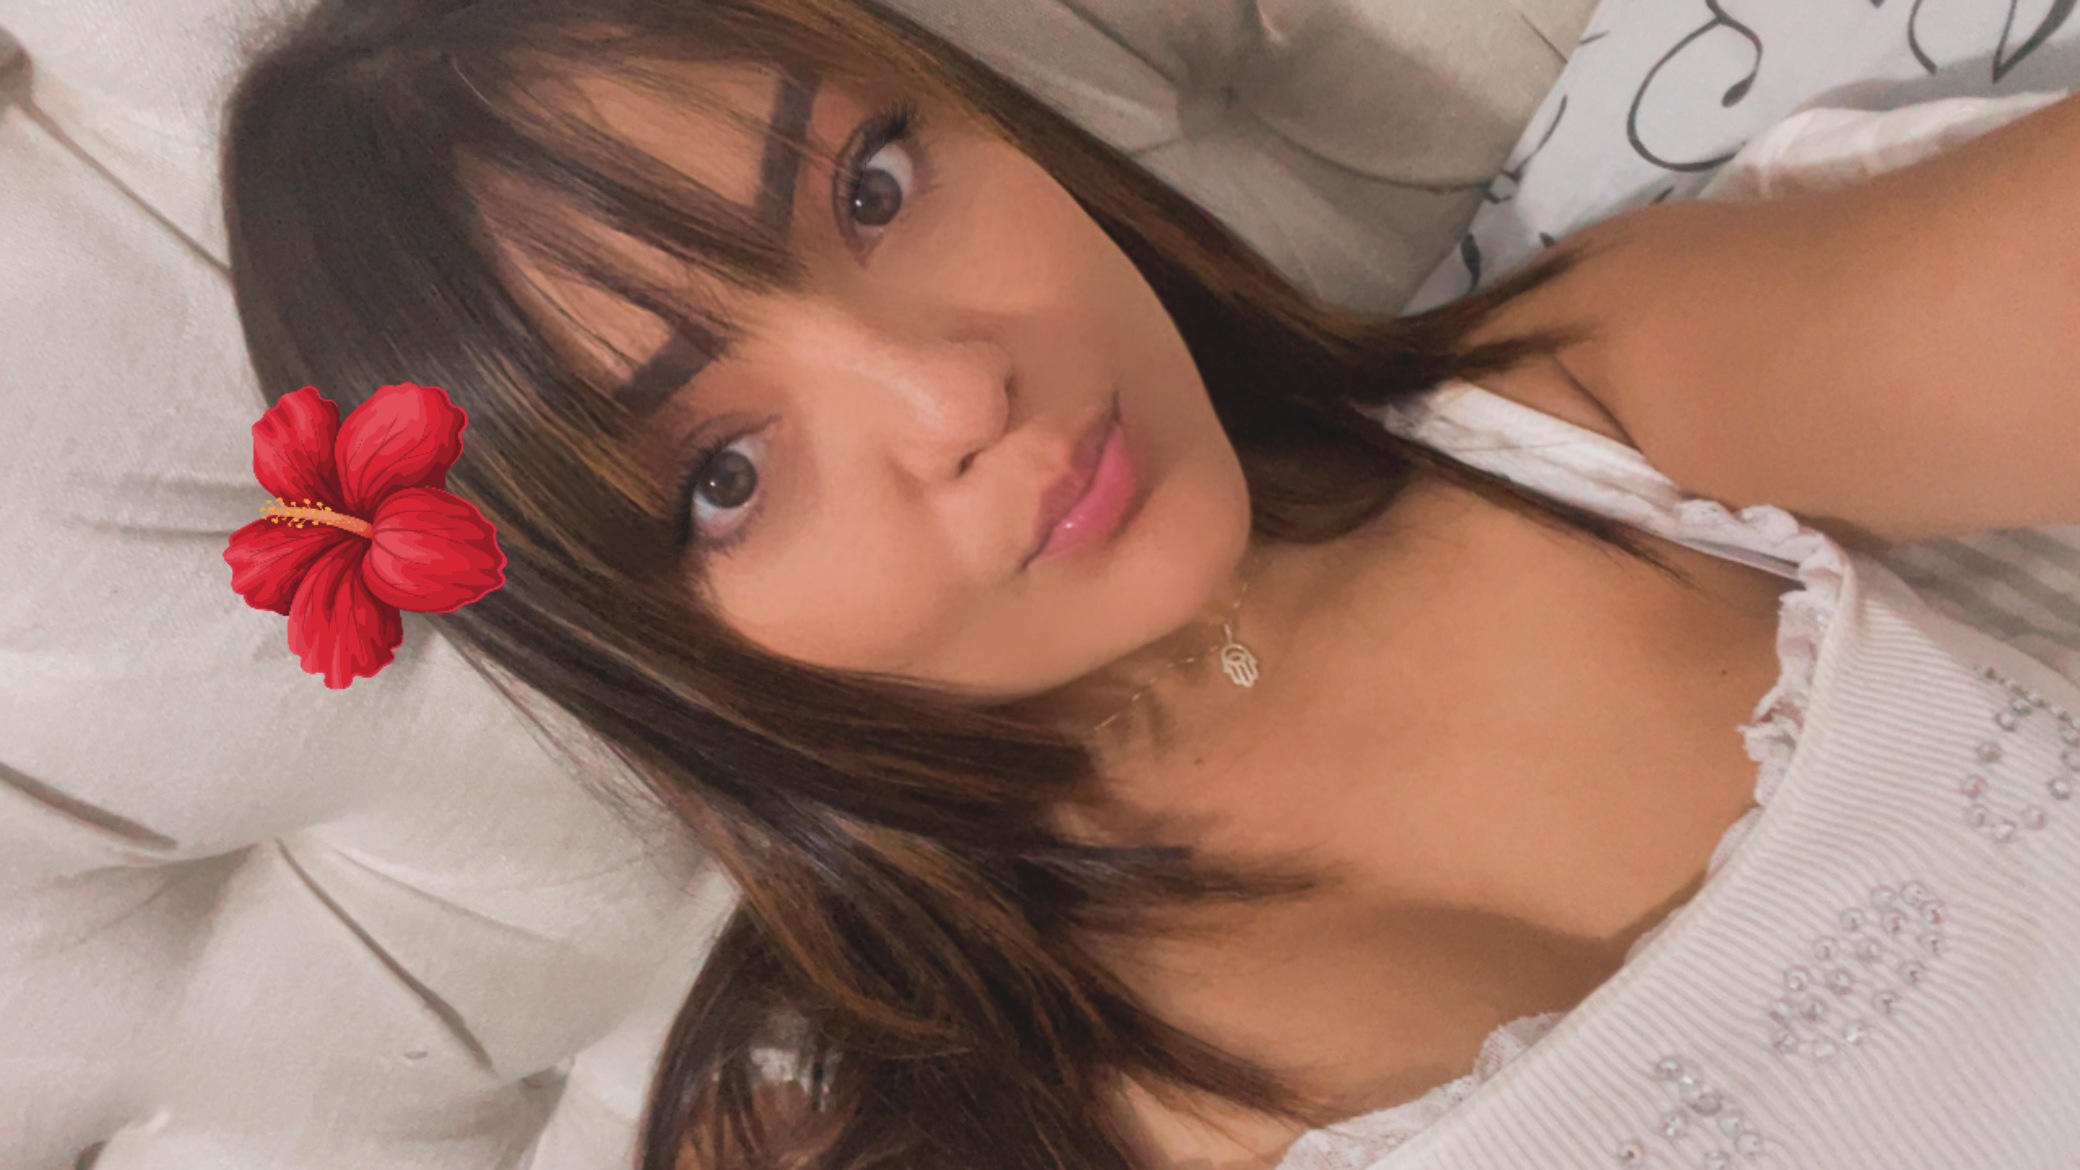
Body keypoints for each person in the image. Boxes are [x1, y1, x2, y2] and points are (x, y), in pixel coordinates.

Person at [220, 2, 2080, 1167]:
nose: (956, 392)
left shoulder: (1606, 398)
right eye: (723, 474)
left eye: (872, 189)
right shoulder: (860, 1130)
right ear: (648, 651)